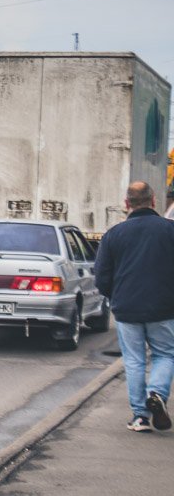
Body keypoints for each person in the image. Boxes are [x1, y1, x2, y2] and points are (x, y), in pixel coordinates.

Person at [94, 181, 174, 433]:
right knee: (165, 354)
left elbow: (101, 277)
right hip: (163, 307)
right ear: (153, 201)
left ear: (127, 204)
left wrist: (116, 296)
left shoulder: (113, 234)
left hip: (126, 308)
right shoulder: (170, 230)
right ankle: (157, 393)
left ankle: (140, 416)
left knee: (134, 360)